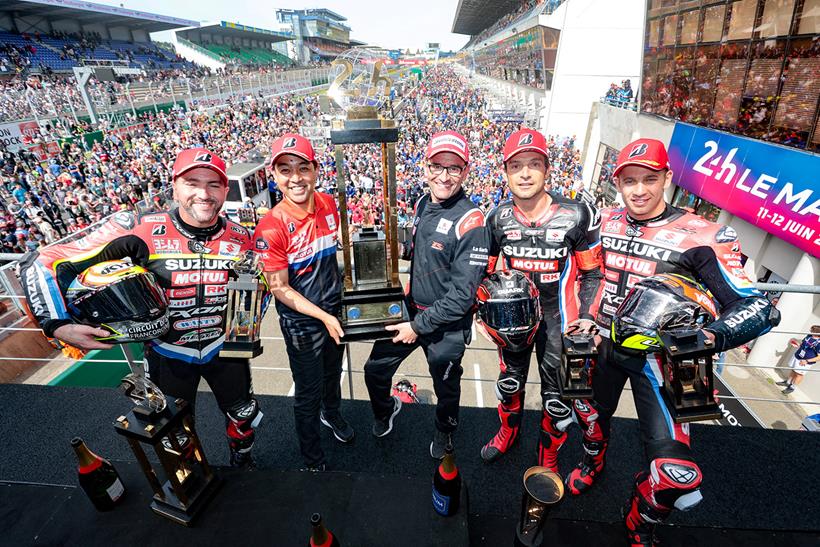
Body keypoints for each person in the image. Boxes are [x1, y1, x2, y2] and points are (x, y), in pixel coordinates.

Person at [566, 138, 780, 546]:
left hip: (668, 359)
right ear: (617, 183)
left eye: (650, 178)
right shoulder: (599, 222)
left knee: (674, 469)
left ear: (667, 178)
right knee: (589, 421)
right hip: (602, 344)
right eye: (630, 180)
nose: (640, 190)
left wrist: (704, 339)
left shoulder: (703, 234)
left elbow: (760, 308)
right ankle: (592, 464)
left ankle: (640, 521)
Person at [20, 148, 265, 469]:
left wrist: (247, 324)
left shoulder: (243, 236)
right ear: (174, 186)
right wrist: (58, 325)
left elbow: (263, 285)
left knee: (243, 416)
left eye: (213, 185)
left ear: (224, 190)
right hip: (168, 352)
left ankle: (242, 458)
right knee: (174, 430)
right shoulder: (138, 226)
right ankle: (191, 475)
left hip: (228, 350)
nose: (203, 194)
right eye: (192, 182)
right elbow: (42, 262)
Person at [480, 128, 603, 470]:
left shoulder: (577, 214)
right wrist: (482, 312)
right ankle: (508, 431)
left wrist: (589, 317)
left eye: (534, 164)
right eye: (516, 165)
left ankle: (548, 456)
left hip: (558, 323)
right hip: (512, 321)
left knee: (557, 400)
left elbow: (593, 273)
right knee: (509, 385)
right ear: (505, 172)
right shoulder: (497, 217)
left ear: (547, 169)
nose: (525, 173)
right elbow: (485, 274)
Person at [363, 130, 490, 459]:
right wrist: (386, 250)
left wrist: (417, 327)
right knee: (375, 369)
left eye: (453, 169)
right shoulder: (422, 202)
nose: (444, 176)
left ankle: (446, 431)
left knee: (446, 388)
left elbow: (462, 298)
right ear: (425, 167)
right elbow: (417, 250)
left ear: (465, 172)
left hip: (445, 324)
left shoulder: (472, 221)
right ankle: (386, 408)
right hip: (410, 310)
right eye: (437, 166)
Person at [253, 133, 353, 472]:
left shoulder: (328, 204)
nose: (295, 178)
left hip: (333, 313)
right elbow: (280, 288)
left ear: (315, 170)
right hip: (303, 323)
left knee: (332, 373)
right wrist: (323, 316)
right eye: (285, 170)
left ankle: (333, 414)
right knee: (307, 392)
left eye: (302, 168)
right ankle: (312, 459)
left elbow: (333, 252)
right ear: (275, 175)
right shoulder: (270, 227)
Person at [778, 325, 820, 394]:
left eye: (812, 330)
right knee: (794, 370)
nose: (810, 330)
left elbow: (819, 357)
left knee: (799, 374)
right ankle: (788, 382)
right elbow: (803, 344)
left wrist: (806, 361)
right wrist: (798, 345)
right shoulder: (809, 336)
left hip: (805, 362)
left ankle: (792, 387)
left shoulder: (819, 343)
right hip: (798, 356)